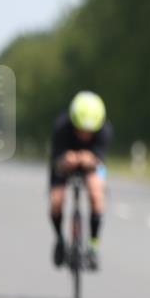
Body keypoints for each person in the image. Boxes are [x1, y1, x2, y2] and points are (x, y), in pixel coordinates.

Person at [48, 91, 112, 270]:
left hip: (90, 165)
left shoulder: (105, 130)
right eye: (80, 129)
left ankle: (93, 245)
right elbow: (56, 159)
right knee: (56, 200)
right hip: (64, 163)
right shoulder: (61, 127)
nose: (85, 134)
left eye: (89, 131)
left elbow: (99, 160)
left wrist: (87, 159)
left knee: (96, 194)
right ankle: (60, 239)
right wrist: (66, 160)